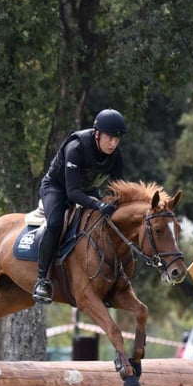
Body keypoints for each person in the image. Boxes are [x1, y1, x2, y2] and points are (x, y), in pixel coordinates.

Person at [32, 108, 127, 304]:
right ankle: (42, 280)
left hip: (88, 190)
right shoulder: (76, 147)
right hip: (57, 188)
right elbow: (72, 193)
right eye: (110, 138)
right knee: (56, 223)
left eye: (117, 139)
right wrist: (99, 204)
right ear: (97, 134)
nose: (114, 143)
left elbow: (119, 189)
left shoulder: (116, 156)